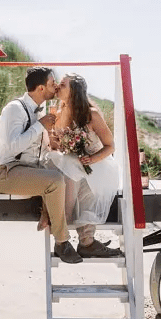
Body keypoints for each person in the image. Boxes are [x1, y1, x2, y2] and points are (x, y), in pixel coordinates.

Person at [0, 66, 83, 263]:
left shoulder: (38, 112)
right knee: (55, 181)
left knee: (66, 169)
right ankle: (62, 242)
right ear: (41, 89)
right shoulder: (15, 109)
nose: (55, 86)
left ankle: (58, 219)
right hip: (6, 172)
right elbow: (13, 146)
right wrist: (39, 126)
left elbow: (39, 149)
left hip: (27, 169)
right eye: (51, 83)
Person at [43, 73, 122, 257]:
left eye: (62, 84)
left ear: (74, 92)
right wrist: (53, 139)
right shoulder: (58, 112)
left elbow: (111, 146)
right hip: (73, 163)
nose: (57, 87)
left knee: (72, 169)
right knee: (61, 163)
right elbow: (59, 147)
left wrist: (92, 159)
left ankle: (77, 238)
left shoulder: (91, 114)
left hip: (97, 164)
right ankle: (79, 239)